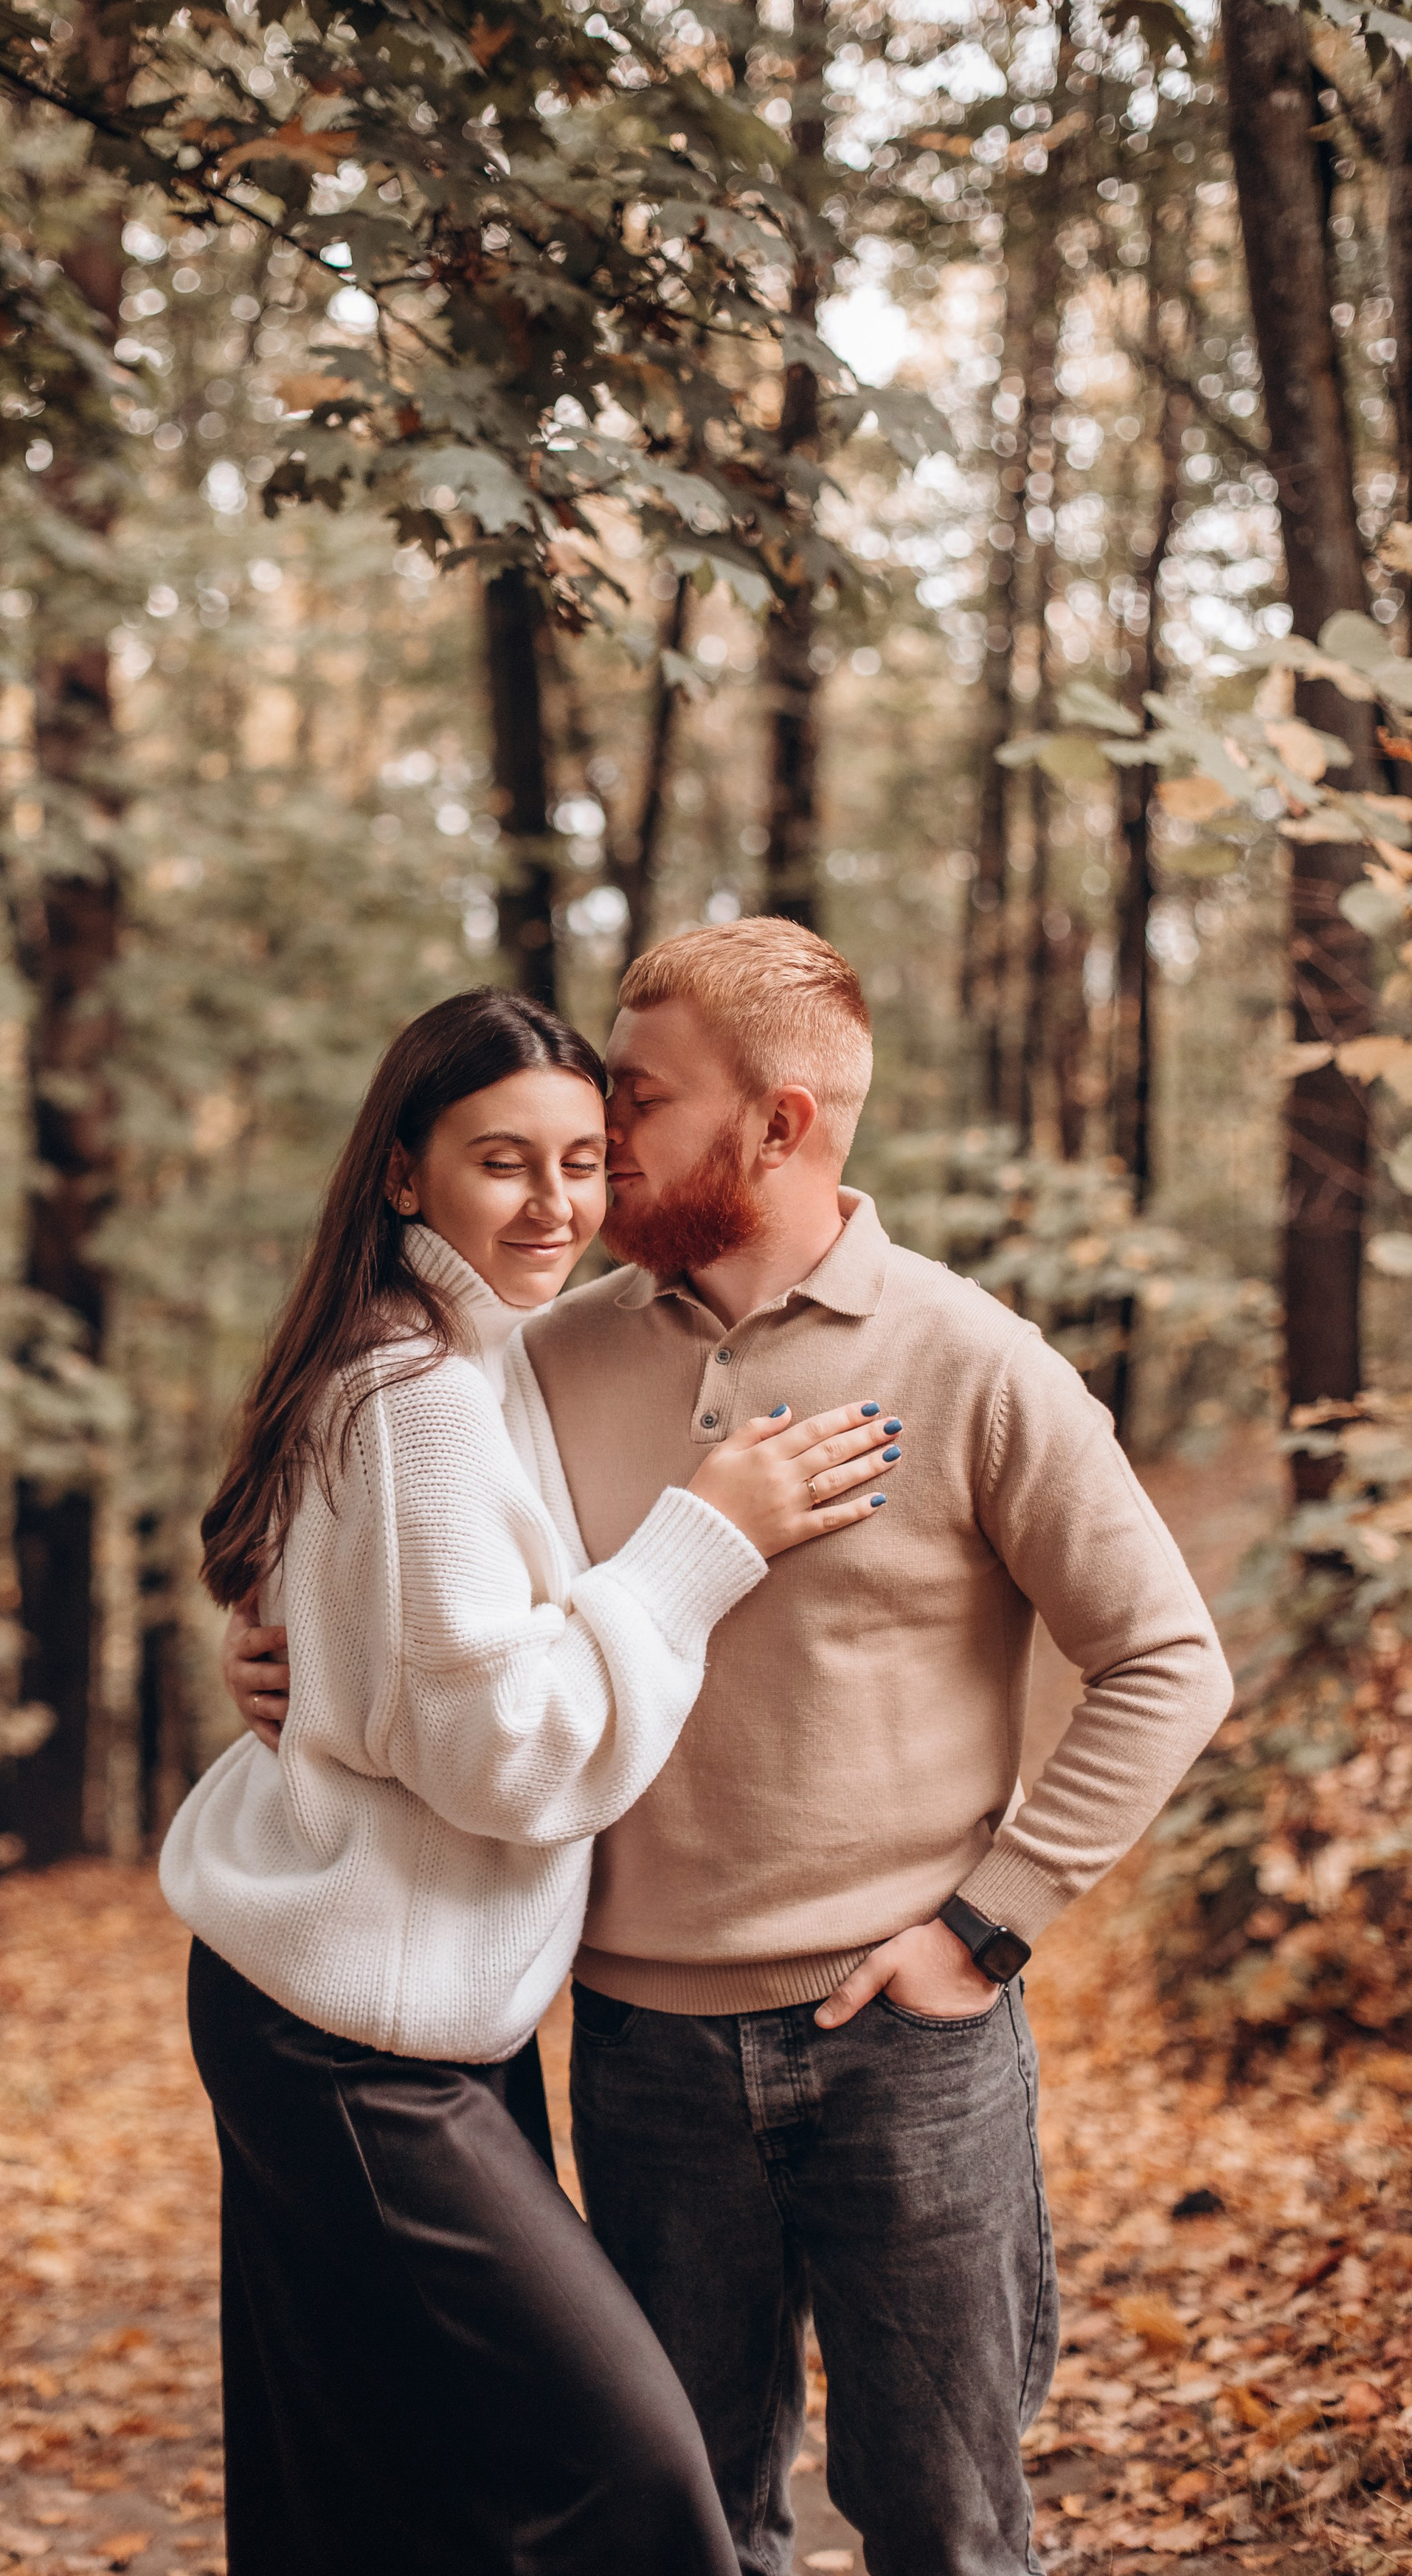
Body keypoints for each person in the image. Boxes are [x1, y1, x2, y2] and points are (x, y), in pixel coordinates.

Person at [226, 921, 1233, 2576]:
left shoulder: (970, 1359)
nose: (600, 1137)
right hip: (640, 2054)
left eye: (636, 1098)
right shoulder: (540, 1352)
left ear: (776, 1124)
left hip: (907, 2046)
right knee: (683, 2524)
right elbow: (401, 1563)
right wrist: (282, 1655)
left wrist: (985, 1927)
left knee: (948, 2528)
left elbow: (1166, 1661)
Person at [159, 985, 901, 2576]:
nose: (555, 1204)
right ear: (401, 1172)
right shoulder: (418, 1393)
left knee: (383, 2504)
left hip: (406, 2012)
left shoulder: (465, 1352)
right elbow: (507, 1750)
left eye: (582, 1161)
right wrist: (710, 1538)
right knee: (631, 2481)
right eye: (502, 1162)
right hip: (353, 2042)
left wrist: (293, 1659)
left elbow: (380, 1628)